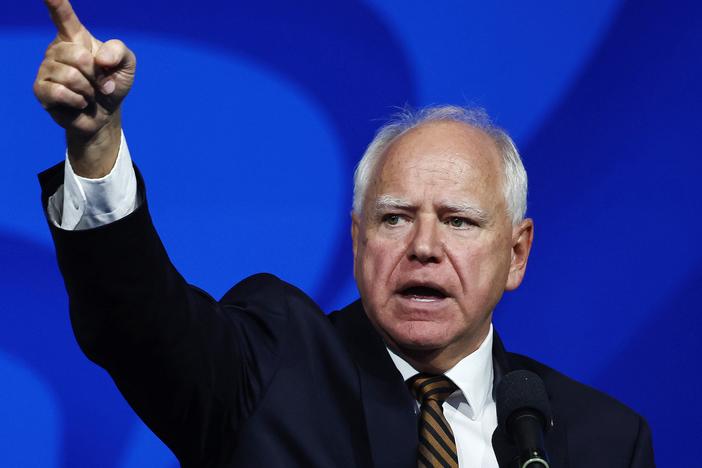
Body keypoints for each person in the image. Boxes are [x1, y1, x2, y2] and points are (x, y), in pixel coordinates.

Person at [34, 0, 655, 466]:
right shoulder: (272, 367)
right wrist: (95, 143)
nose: (425, 247)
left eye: (459, 221)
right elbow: (136, 323)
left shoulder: (602, 438)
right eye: (395, 217)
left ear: (517, 253)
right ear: (358, 240)